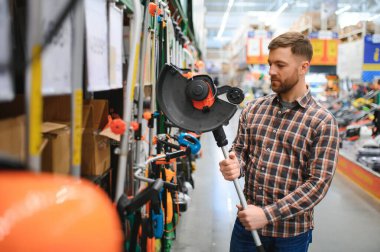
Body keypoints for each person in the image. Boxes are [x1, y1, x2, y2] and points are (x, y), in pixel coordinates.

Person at [219, 32, 339, 252]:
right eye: (270, 64)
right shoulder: (253, 109)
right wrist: (236, 165)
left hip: (290, 235)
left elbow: (317, 184)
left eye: (280, 65)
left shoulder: (322, 122)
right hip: (247, 228)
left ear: (303, 67)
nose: (271, 71)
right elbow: (241, 150)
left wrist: (267, 214)